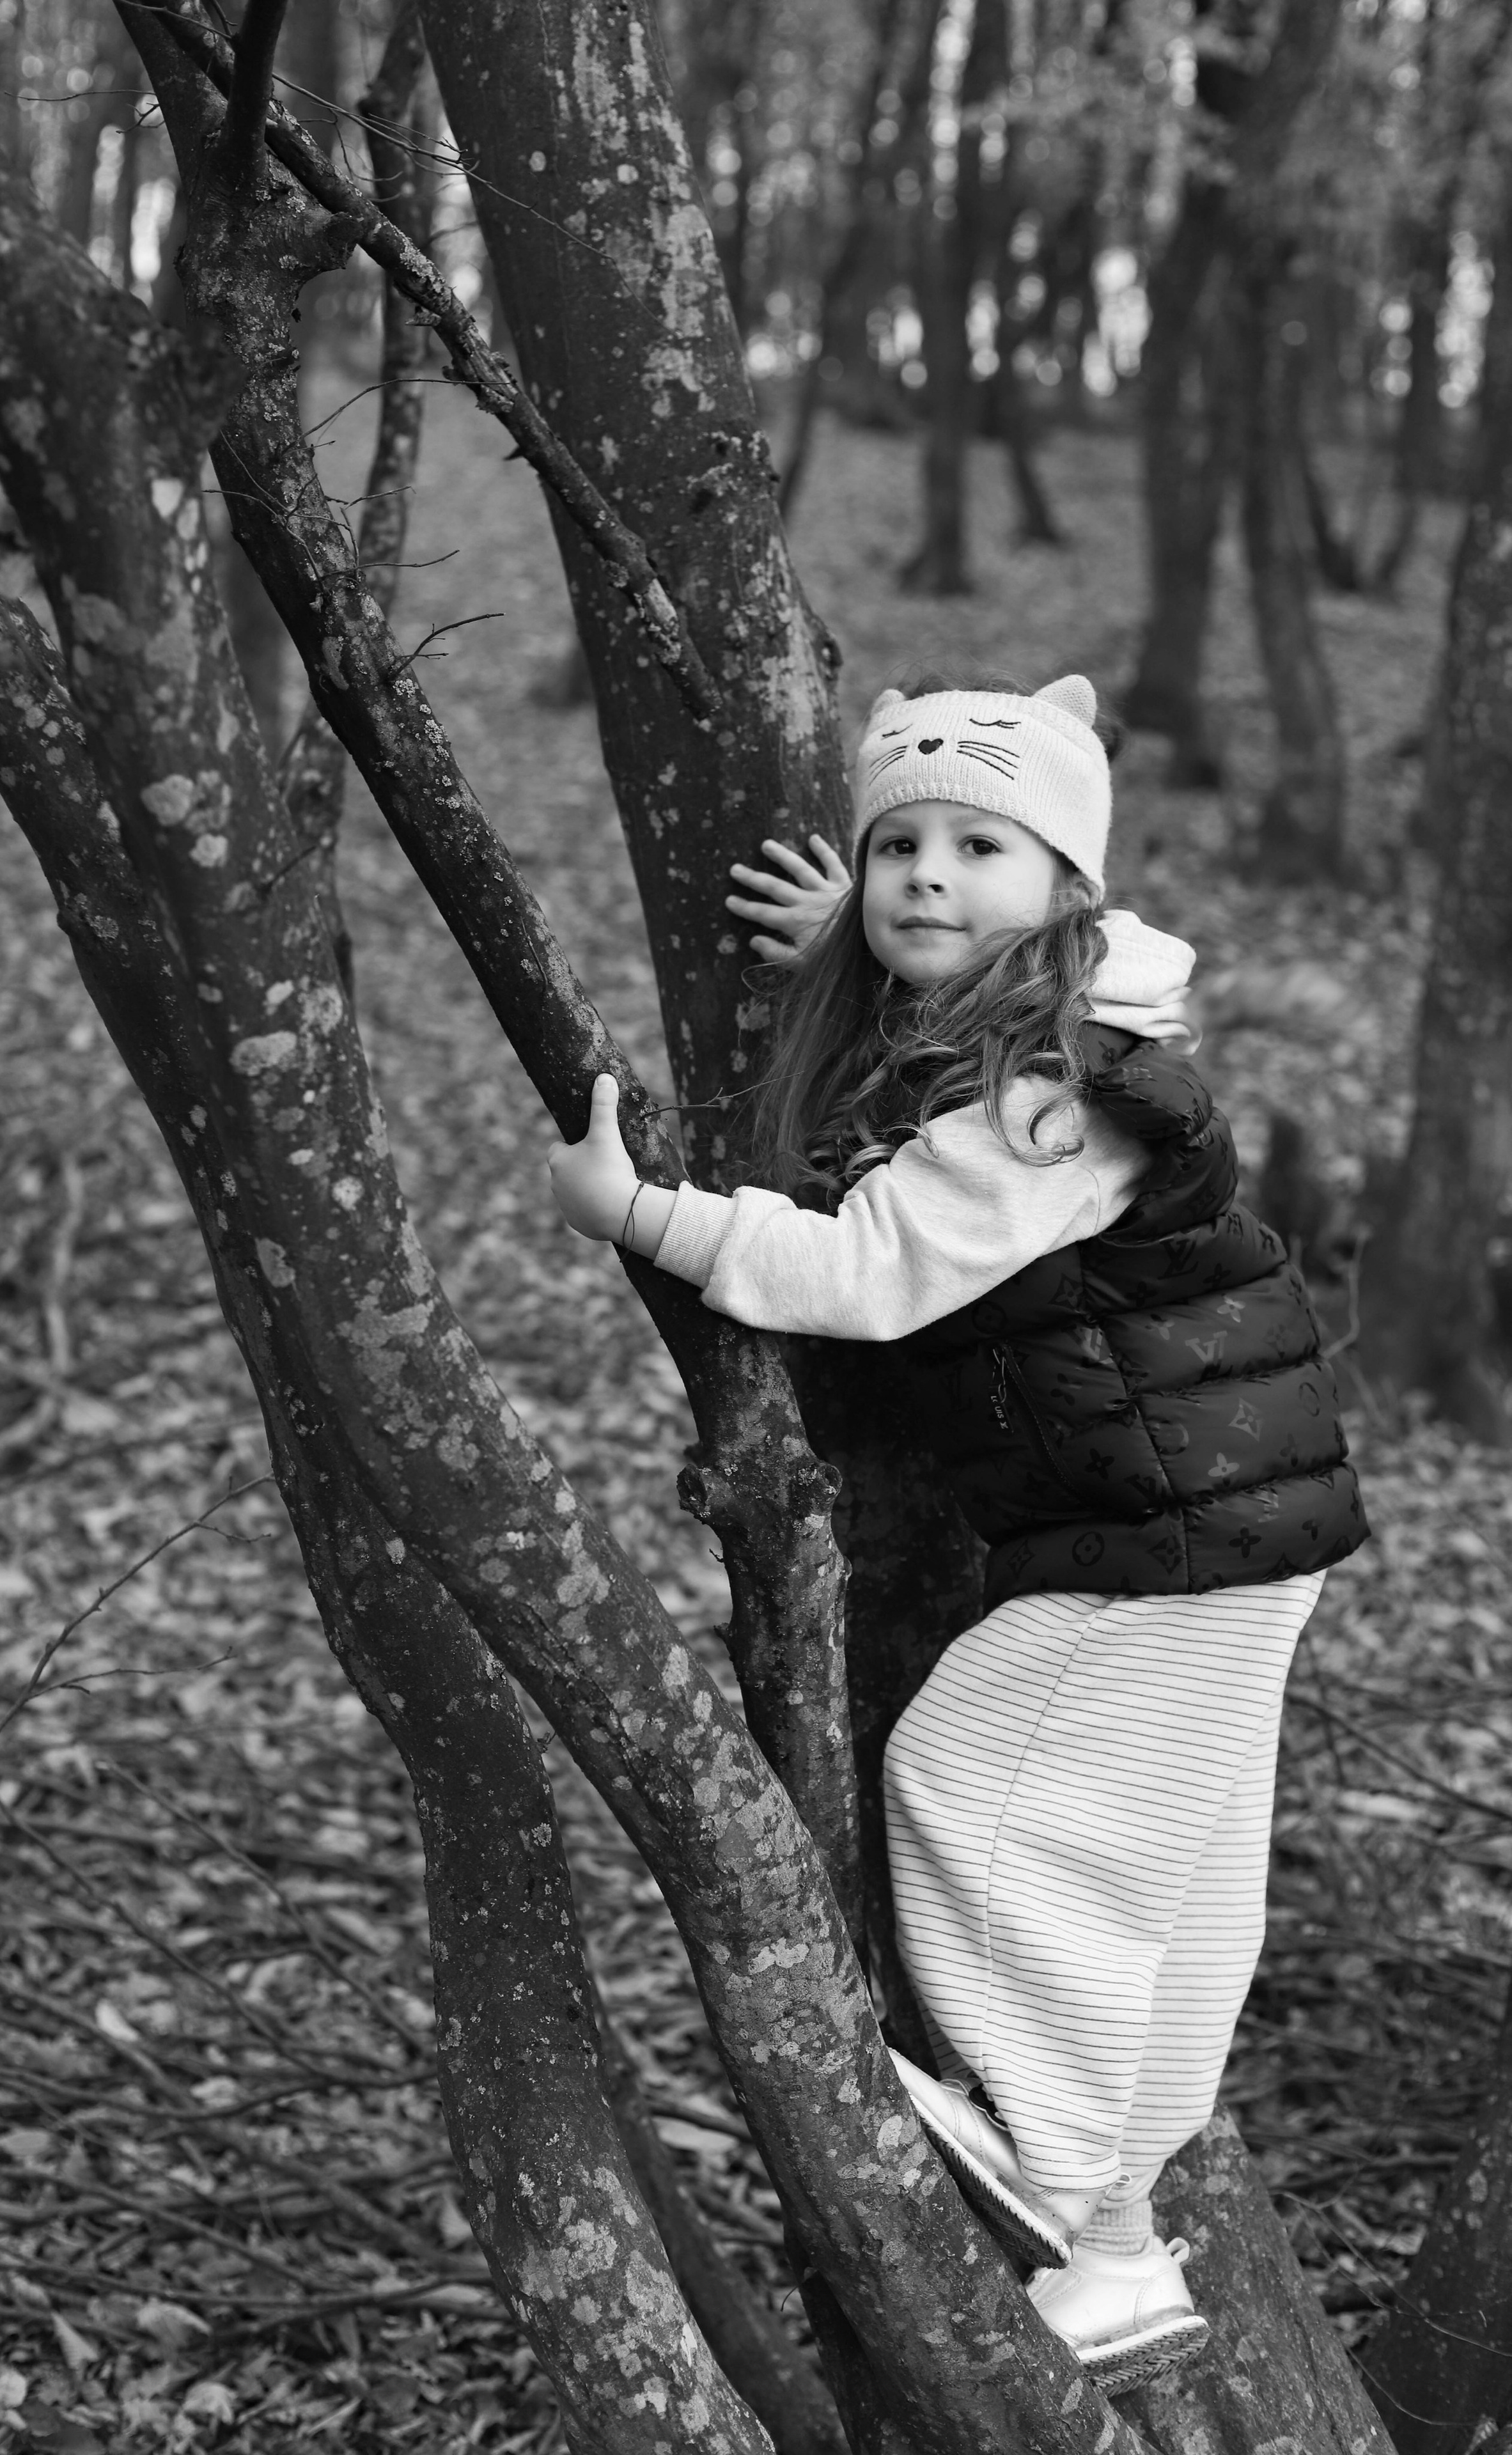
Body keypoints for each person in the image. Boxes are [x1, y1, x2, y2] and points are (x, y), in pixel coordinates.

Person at [547, 671, 1367, 2395]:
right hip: (1227, 1508)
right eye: (898, 844)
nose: (928, 874)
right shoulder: (1065, 1027)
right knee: (1186, 1864)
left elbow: (862, 1269)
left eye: (978, 846)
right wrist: (866, 926)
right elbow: (944, 1022)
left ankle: (1057, 2172)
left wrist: (640, 1210)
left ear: (1065, 880)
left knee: (977, 1790)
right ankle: (1123, 2232)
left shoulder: (1055, 1097)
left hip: (1164, 1519)